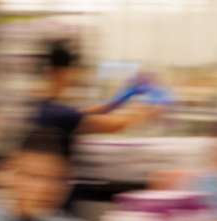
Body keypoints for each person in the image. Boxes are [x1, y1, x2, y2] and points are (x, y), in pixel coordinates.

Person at [33, 40, 164, 160]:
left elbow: (80, 113)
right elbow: (113, 125)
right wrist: (147, 110)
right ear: (61, 72)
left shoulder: (41, 105)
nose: (75, 77)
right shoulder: (57, 113)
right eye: (74, 71)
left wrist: (121, 99)